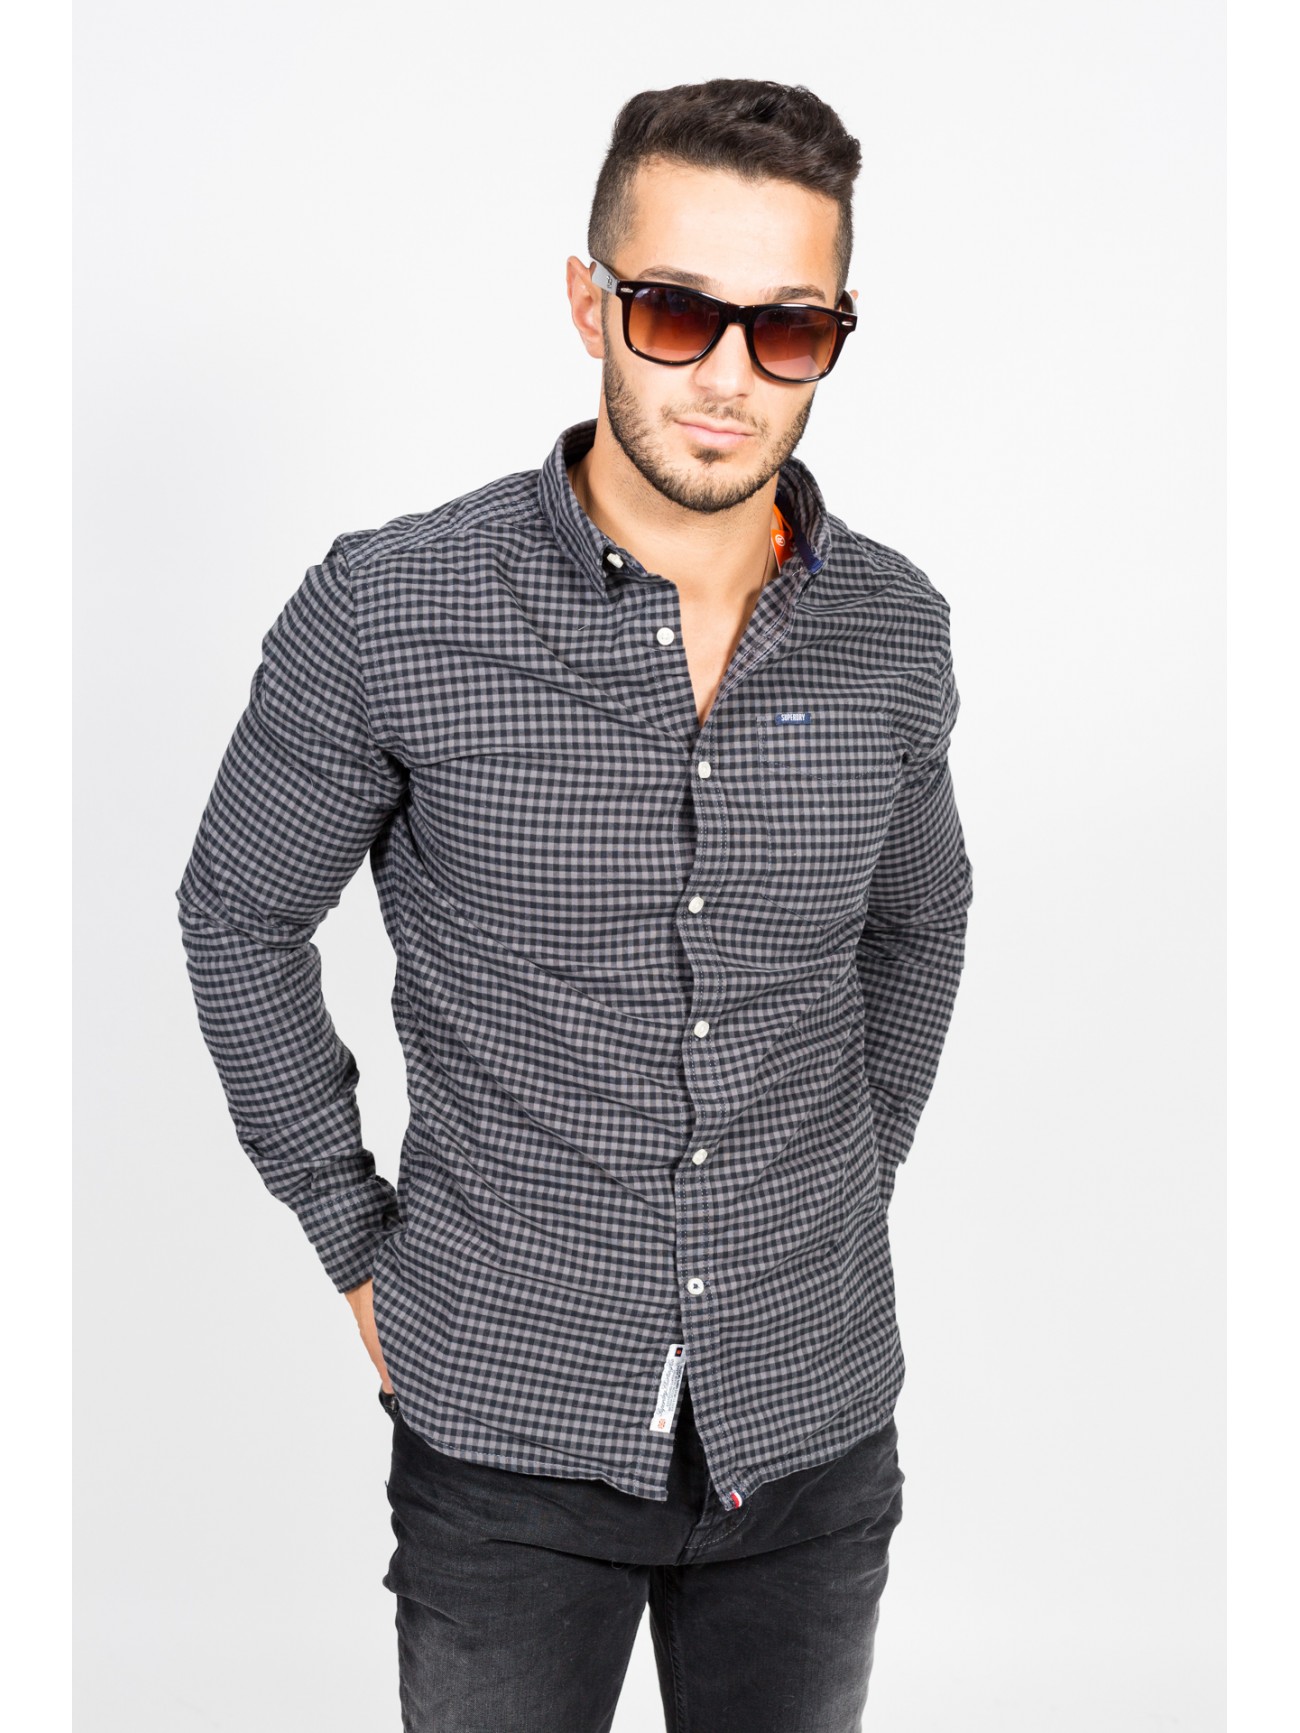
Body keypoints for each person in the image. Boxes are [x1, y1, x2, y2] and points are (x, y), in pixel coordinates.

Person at [176, 76, 973, 1733]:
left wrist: (851, 1172)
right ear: (589, 301)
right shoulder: (393, 610)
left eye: (790, 327)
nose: (729, 376)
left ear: (836, 335)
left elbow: (920, 922)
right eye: (679, 312)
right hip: (505, 1430)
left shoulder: (894, 629)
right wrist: (351, 1233)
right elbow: (238, 914)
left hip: (814, 1424)